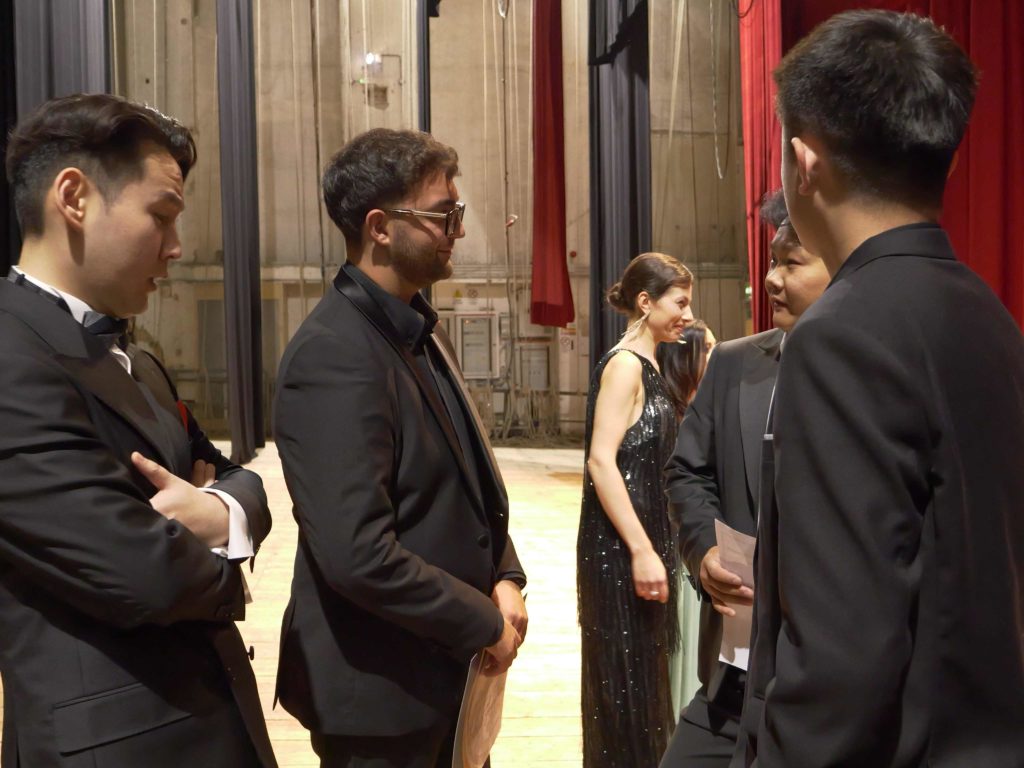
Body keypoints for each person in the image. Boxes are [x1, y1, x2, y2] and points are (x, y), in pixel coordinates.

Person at [739, 11, 1024, 767]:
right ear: (946, 164)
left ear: (804, 161)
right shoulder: (990, 317)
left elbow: (842, 656)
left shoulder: (841, 335)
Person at [0, 93, 276, 767]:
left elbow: (234, 477)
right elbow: (142, 573)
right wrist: (228, 573)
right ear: (74, 198)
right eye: (162, 215)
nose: (176, 247)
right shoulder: (10, 351)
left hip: (208, 722)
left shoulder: (137, 360)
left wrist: (221, 512)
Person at [273, 128, 528, 768]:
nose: (456, 231)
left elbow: (464, 479)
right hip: (382, 695)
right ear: (380, 227)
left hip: (440, 673)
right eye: (443, 214)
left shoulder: (415, 326)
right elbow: (357, 554)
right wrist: (482, 621)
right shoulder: (334, 353)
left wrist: (504, 573)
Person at [658, 190, 829, 768]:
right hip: (734, 672)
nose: (772, 279)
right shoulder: (734, 362)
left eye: (791, 263)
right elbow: (688, 471)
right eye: (772, 261)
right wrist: (703, 549)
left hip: (824, 685)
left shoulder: (878, 377)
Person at [577, 252, 693, 768]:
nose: (688, 315)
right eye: (680, 303)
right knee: (625, 696)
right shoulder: (625, 366)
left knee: (641, 693)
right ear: (646, 302)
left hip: (638, 548)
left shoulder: (648, 364)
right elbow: (601, 461)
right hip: (621, 554)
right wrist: (643, 551)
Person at [658, 319, 715, 420]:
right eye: (706, 349)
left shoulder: (714, 402)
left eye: (715, 347)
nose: (715, 355)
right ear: (682, 358)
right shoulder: (664, 411)